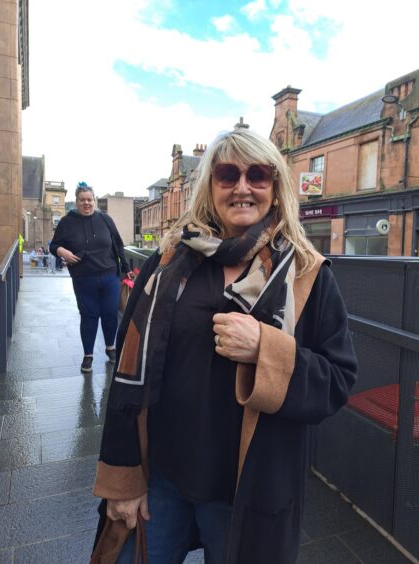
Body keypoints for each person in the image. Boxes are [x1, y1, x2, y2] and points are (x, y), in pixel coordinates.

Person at [91, 129, 358, 564]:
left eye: (258, 175)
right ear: (210, 187)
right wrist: (122, 480)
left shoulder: (307, 273)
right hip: (161, 477)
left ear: (276, 188)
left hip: (248, 491)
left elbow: (338, 379)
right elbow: (125, 366)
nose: (242, 187)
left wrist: (264, 349)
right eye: (227, 174)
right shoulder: (168, 261)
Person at [50, 182, 134, 373]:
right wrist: (61, 250)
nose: (86, 203)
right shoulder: (67, 222)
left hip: (110, 276)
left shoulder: (105, 219)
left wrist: (126, 268)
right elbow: (53, 245)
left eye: (89, 199)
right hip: (83, 278)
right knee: (89, 316)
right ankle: (88, 355)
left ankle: (110, 348)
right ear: (76, 201)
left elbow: (119, 245)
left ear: (94, 201)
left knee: (110, 314)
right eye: (82, 200)